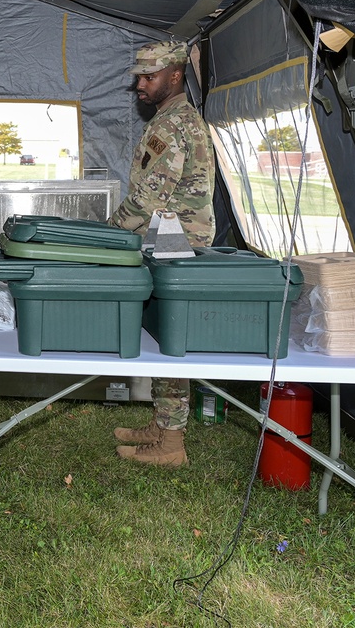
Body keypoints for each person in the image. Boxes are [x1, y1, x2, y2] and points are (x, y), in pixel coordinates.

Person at [109, 40, 215, 466]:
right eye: (138, 75)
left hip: (177, 244)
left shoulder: (171, 126)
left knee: (171, 343)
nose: (139, 84)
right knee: (162, 336)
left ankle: (172, 445)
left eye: (148, 76)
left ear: (174, 76)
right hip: (172, 239)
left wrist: (109, 235)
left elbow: (148, 199)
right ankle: (163, 424)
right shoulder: (177, 119)